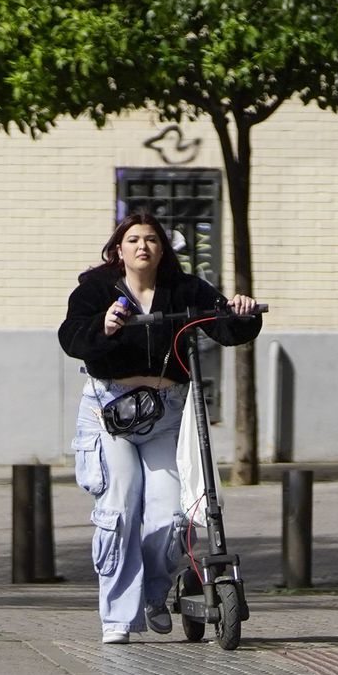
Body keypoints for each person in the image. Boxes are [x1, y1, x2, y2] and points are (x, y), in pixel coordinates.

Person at [57, 210, 260, 644]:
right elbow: (71, 336)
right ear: (118, 249)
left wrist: (241, 312)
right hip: (110, 412)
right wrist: (104, 325)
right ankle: (117, 618)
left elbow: (223, 325)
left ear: (163, 248)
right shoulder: (96, 289)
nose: (142, 246)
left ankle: (154, 593)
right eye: (133, 240)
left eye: (151, 239)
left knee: (172, 515)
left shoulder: (182, 289)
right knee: (122, 507)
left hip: (166, 412)